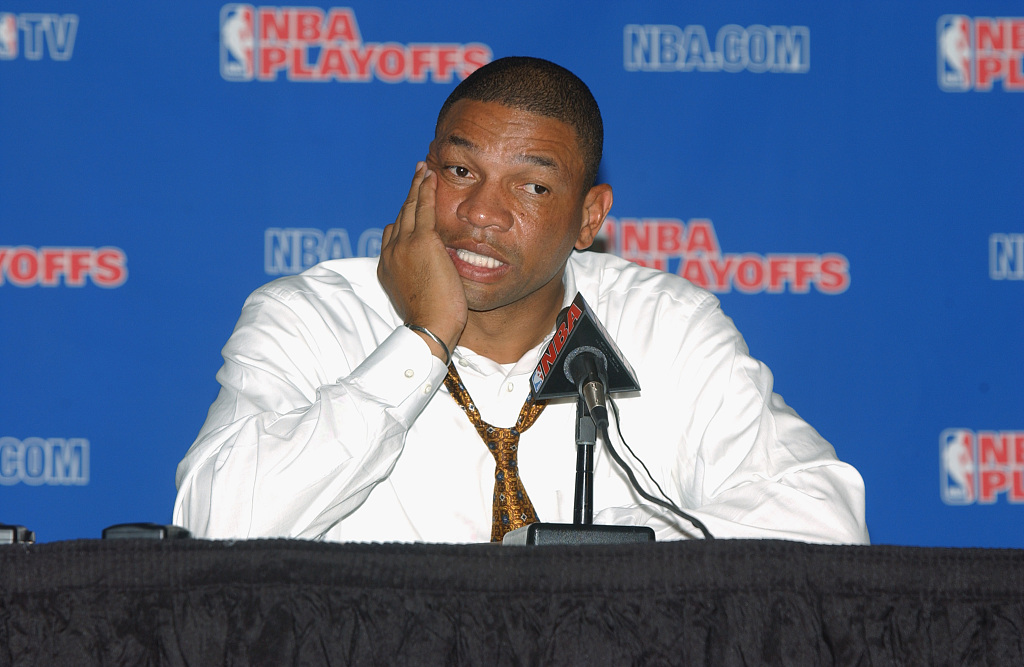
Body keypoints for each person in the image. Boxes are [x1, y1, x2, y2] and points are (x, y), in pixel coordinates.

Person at [173, 57, 869, 545]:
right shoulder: (311, 318)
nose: (482, 213)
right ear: (423, 176)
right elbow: (212, 527)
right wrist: (423, 341)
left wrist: (597, 558)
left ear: (589, 218)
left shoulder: (667, 327)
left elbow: (825, 521)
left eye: (532, 187)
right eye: (460, 170)